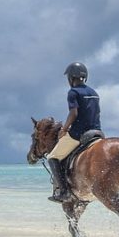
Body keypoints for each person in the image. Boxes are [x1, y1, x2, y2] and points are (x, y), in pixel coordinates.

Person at [47, 61, 102, 203]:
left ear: (71, 77)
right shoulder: (94, 93)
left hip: (79, 134)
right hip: (97, 132)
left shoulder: (73, 92)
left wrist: (64, 130)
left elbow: (73, 114)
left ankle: (64, 191)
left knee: (52, 157)